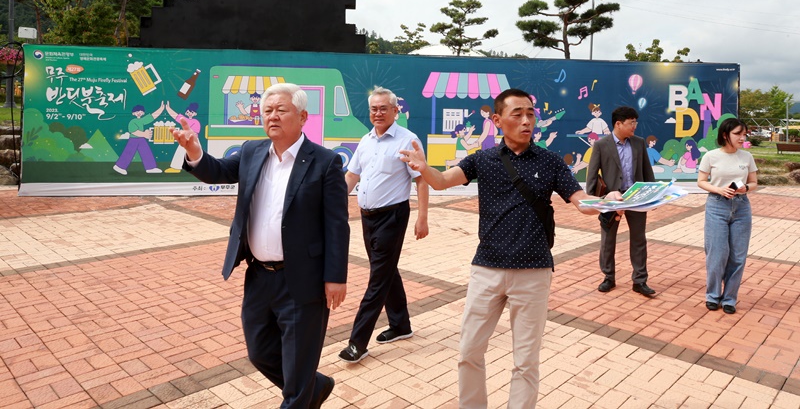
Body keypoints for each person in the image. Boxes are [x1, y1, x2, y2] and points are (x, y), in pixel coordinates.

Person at [399, 88, 616, 409]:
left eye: (530, 114)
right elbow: (442, 181)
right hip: (487, 268)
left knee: (526, 360)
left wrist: (607, 202)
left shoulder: (550, 161)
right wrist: (423, 168)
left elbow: (581, 201)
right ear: (498, 121)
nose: (527, 121)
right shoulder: (483, 159)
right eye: (518, 114)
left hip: (533, 271)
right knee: (469, 351)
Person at [171, 83, 349, 408]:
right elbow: (218, 171)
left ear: (303, 117)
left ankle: (303, 391)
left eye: (281, 110)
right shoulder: (252, 151)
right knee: (260, 351)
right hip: (258, 277)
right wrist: (195, 153)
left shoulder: (325, 162)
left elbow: (337, 224)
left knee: (297, 371)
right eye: (267, 111)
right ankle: (314, 386)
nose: (273, 116)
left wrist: (336, 277)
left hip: (303, 279)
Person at [338, 86, 429, 363]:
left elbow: (421, 179)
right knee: (386, 271)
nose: (378, 113)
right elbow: (352, 175)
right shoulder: (365, 140)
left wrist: (422, 217)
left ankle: (357, 343)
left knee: (377, 279)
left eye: (383, 108)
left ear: (395, 110)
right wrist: (333, 206)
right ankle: (401, 325)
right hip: (367, 217)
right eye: (374, 109)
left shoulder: (407, 140)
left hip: (393, 217)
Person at [587, 106, 656, 296]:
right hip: (611, 199)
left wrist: (652, 196)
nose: (635, 126)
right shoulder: (601, 145)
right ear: (618, 124)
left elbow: (647, 171)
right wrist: (596, 200)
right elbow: (592, 175)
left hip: (636, 198)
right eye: (631, 122)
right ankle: (608, 277)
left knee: (639, 239)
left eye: (635, 122)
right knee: (608, 240)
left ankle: (639, 281)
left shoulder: (639, 143)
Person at [696, 118, 758, 314]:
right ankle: (712, 295)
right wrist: (719, 189)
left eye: (744, 134)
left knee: (738, 256)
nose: (742, 138)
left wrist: (745, 188)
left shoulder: (746, 156)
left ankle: (730, 298)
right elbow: (701, 181)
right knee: (717, 254)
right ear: (725, 135)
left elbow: (754, 182)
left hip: (741, 208)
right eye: (737, 134)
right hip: (717, 206)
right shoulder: (711, 156)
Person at [113, 101, 166, 175]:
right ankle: (119, 166)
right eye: (137, 111)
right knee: (129, 152)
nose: (139, 113)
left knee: (146, 151)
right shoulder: (132, 122)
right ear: (133, 113)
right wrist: (144, 134)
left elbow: (152, 117)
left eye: (141, 111)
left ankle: (150, 167)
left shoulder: (141, 121)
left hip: (141, 139)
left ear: (143, 113)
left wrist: (161, 109)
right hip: (133, 139)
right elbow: (133, 131)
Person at [164, 101, 200, 173]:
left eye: (192, 112)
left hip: (193, 139)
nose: (190, 113)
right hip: (186, 138)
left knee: (195, 153)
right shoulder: (185, 120)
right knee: (181, 152)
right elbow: (176, 116)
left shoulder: (195, 122)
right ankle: (176, 167)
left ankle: (176, 167)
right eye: (188, 112)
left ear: (195, 113)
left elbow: (177, 117)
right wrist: (168, 109)